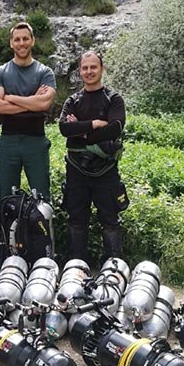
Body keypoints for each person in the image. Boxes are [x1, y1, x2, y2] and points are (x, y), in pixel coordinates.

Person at [58, 51, 128, 263]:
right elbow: (63, 128)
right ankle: (76, 265)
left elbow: (115, 128)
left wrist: (81, 130)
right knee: (76, 219)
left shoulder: (113, 99)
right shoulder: (73, 100)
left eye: (93, 67)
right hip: (76, 170)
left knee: (110, 220)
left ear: (102, 69)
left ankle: (114, 265)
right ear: (80, 72)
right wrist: (95, 124)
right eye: (85, 68)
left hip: (106, 170)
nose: (89, 71)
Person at [0, 22, 56, 200]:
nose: (21, 43)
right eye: (17, 39)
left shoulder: (45, 72)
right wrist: (32, 100)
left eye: (25, 38)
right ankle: (7, 228)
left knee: (42, 195)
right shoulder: (0, 72)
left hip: (36, 141)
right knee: (7, 197)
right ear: (11, 43)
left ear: (32, 41)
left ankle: (44, 228)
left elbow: (44, 104)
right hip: (8, 141)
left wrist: (11, 98)